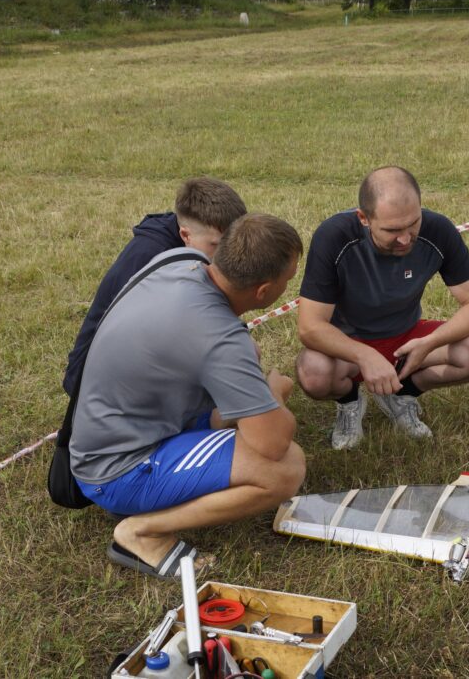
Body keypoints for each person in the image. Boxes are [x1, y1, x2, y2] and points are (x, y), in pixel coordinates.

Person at [69, 213, 306, 579]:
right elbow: (273, 443)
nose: (289, 286)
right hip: (116, 469)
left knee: (249, 368)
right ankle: (142, 532)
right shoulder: (220, 338)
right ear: (263, 291)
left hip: (105, 430)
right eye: (288, 279)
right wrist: (275, 392)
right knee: (284, 467)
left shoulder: (180, 260)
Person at [296, 166, 469, 450]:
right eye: (392, 230)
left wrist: (429, 343)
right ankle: (349, 403)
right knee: (312, 372)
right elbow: (310, 326)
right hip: (348, 344)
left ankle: (403, 395)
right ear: (364, 218)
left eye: (413, 224)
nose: (405, 238)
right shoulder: (333, 236)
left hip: (407, 338)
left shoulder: (438, 229)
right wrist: (364, 355)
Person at [62, 177, 246, 396]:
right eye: (216, 245)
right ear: (185, 235)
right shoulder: (148, 258)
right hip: (97, 383)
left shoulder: (193, 242)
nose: (226, 255)